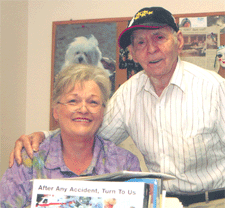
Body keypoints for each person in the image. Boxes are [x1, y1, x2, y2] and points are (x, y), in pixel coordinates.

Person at [9, 7, 225, 207]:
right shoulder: (128, 94)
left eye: (159, 37)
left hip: (216, 199)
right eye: (140, 43)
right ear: (131, 52)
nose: (151, 49)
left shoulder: (213, 87)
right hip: (162, 202)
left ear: (178, 40)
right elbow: (90, 128)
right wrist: (43, 136)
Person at [0, 64, 141, 207]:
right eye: (73, 101)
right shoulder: (28, 161)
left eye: (93, 102)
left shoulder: (125, 164)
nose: (83, 109)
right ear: (55, 111)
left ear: (102, 113)